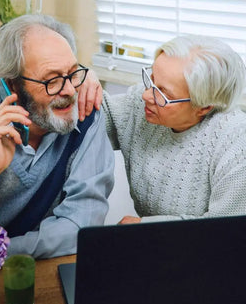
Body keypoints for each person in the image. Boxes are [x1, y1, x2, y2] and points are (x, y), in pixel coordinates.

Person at [0, 14, 114, 258]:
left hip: (46, 271)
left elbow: (80, 226)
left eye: (73, 74)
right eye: (52, 80)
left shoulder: (86, 116)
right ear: (11, 86)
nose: (68, 91)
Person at [101, 35, 246, 224]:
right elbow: (93, 117)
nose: (146, 95)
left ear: (204, 107)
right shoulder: (143, 103)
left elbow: (225, 229)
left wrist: (144, 228)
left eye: (163, 93)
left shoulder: (236, 142)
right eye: (151, 80)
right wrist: (81, 79)